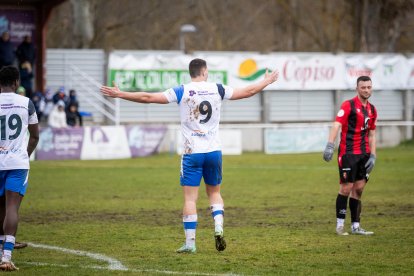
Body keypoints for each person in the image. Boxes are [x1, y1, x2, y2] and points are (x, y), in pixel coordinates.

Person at [101, 58, 279, 253]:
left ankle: (190, 243)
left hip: (192, 152)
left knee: (190, 199)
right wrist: (267, 81)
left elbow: (147, 98)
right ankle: (218, 227)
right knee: (214, 193)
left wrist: (120, 94)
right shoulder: (218, 89)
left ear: (191, 72)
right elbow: (248, 92)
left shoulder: (182, 90)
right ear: (204, 71)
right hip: (213, 151)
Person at [323, 75, 377, 236]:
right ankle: (340, 226)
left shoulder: (372, 109)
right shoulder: (348, 105)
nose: (366, 90)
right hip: (348, 153)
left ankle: (355, 226)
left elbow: (372, 134)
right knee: (346, 188)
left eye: (369, 87)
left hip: (364, 154)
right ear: (357, 89)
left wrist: (373, 155)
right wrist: (330, 145)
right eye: (363, 87)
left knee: (359, 189)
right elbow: (336, 124)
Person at [0, 66, 39, 270]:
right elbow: (35, 136)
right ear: (16, 83)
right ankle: (6, 257)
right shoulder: (26, 103)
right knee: (11, 208)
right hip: (17, 163)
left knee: (0, 208)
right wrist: (24, 154)